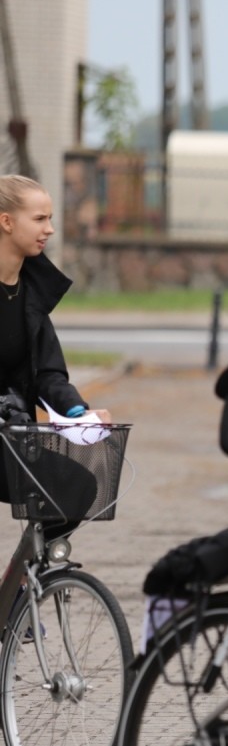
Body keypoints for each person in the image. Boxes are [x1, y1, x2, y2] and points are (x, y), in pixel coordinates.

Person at [0, 174, 112, 537]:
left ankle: (24, 584)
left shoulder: (32, 293)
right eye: (39, 219)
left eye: (50, 219)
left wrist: (80, 413)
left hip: (10, 434)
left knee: (78, 487)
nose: (49, 229)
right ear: (6, 222)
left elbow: (48, 373)